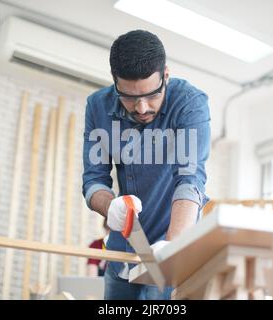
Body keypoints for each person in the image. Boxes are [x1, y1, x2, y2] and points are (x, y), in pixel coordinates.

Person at [82, 30, 210, 300]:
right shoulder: (97, 107)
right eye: (128, 97)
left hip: (170, 247)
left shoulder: (189, 103)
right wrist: (110, 207)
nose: (141, 108)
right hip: (122, 253)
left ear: (165, 75)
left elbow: (190, 180)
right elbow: (93, 181)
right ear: (114, 82)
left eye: (151, 96)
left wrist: (173, 247)